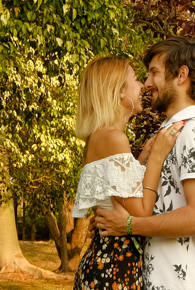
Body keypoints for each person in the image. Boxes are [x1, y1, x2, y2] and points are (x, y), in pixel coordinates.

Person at [95, 37, 195, 290]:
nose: (147, 83)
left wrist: (130, 226)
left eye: (155, 73)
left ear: (181, 75)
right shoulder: (167, 135)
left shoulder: (194, 136)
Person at [73, 55, 185, 290]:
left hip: (107, 263)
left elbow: (119, 197)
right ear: (120, 91)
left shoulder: (100, 135)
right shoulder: (114, 138)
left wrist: (140, 160)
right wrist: (156, 157)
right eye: (135, 79)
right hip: (114, 268)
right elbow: (142, 211)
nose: (143, 85)